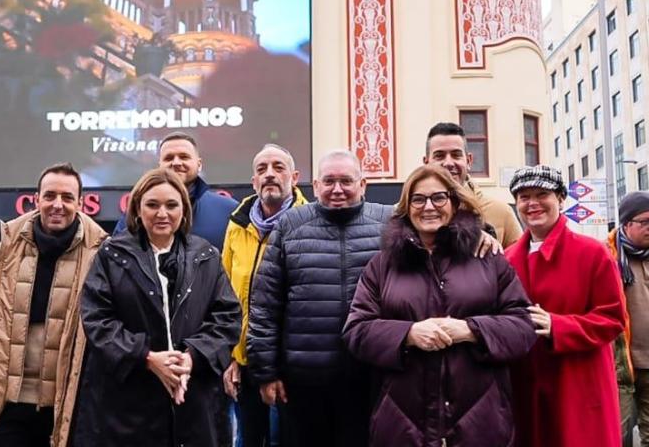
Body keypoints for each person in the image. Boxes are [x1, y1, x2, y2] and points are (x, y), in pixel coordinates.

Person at [249, 149, 502, 447]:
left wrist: (481, 233)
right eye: (329, 181)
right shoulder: (290, 225)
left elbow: (440, 223)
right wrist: (266, 372)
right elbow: (265, 304)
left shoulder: (389, 221)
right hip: (304, 381)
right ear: (315, 186)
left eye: (346, 181)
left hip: (373, 376)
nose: (338, 189)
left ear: (363, 184)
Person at [342, 164, 536, 446]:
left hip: (480, 423)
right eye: (418, 199)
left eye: (438, 198)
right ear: (407, 207)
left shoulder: (489, 259)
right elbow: (356, 331)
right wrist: (408, 334)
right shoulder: (382, 265)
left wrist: (470, 329)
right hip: (401, 424)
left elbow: (523, 326)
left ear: (454, 202)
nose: (428, 207)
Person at [75, 167, 241, 447]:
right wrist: (147, 358)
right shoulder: (111, 255)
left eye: (171, 205)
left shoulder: (207, 256)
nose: (162, 213)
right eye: (152, 205)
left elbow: (227, 318)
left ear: (184, 211)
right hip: (126, 406)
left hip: (193, 402)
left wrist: (191, 358)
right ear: (138, 209)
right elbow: (97, 320)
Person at [0, 163, 107, 447]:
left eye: (67, 197)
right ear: (37, 200)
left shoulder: (100, 256)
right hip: (8, 406)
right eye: (50, 196)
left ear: (81, 203)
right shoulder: (5, 252)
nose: (57, 205)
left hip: (67, 407)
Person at [505, 166, 626, 447]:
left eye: (541, 194)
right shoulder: (507, 259)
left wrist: (558, 326)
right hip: (526, 382)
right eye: (524, 197)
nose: (532, 203)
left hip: (579, 382)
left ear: (561, 199)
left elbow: (612, 318)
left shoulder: (593, 253)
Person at [221, 144, 307, 447]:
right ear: (254, 181)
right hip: (245, 364)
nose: (270, 174)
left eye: (278, 167)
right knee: (246, 439)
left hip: (289, 367)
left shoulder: (309, 222)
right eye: (262, 170)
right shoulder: (237, 225)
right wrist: (231, 357)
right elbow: (225, 297)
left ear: (295, 177)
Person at [115, 132, 237, 251]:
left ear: (199, 164)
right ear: (160, 165)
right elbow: (117, 257)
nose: (176, 163)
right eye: (169, 158)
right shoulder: (139, 211)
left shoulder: (229, 210)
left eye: (184, 157)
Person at [423, 122, 523, 246]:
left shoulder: (501, 213)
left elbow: (520, 262)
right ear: (426, 162)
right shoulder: (408, 213)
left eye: (456, 155)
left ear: (469, 161)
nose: (448, 162)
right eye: (439, 156)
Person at [609, 191, 649, 446]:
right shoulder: (606, 256)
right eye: (645, 222)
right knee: (616, 434)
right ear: (626, 224)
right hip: (619, 366)